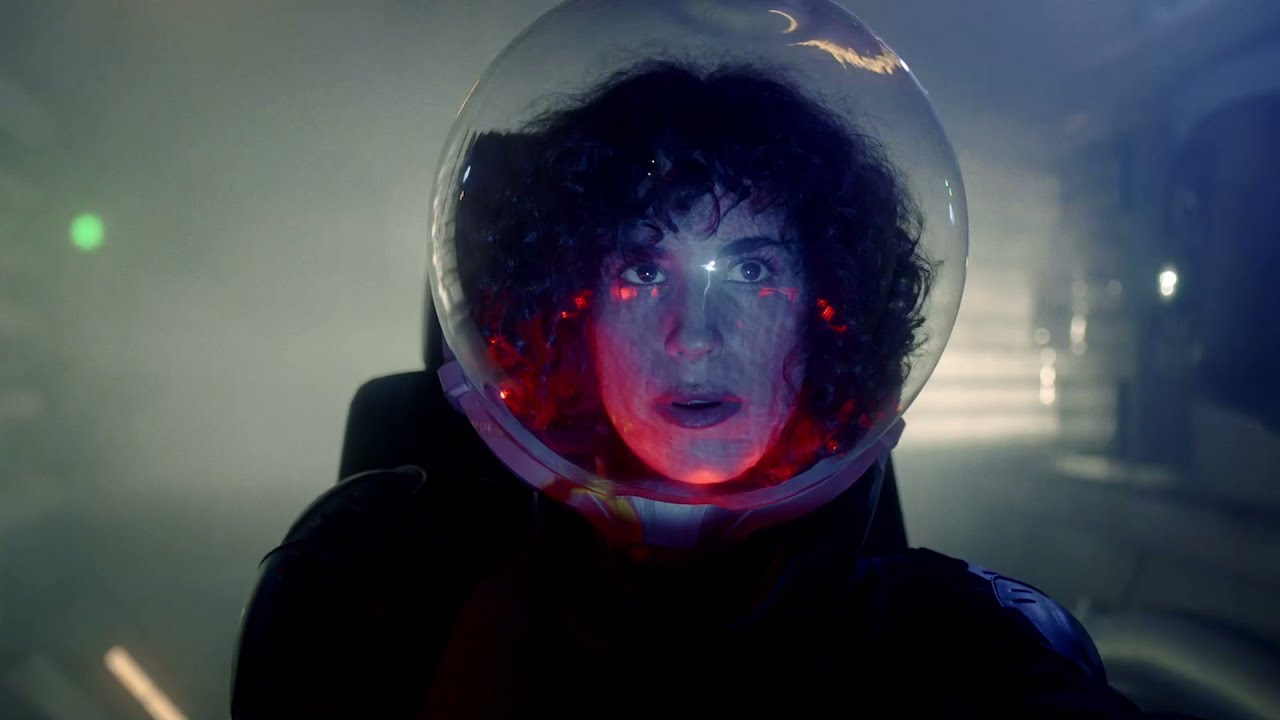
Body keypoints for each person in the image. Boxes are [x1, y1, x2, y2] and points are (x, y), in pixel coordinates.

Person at [231, 6, 1199, 718]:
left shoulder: (964, 652)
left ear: (830, 318)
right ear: (569, 316)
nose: (695, 336)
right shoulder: (368, 609)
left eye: (754, 271)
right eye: (642, 273)